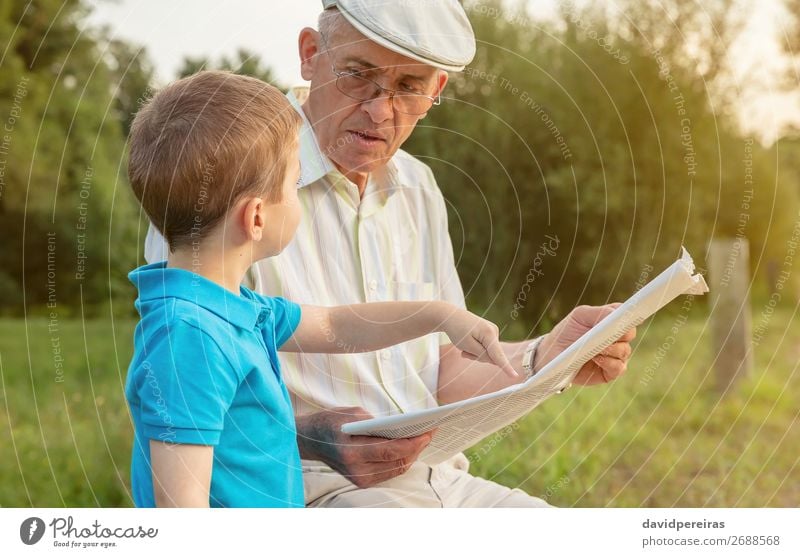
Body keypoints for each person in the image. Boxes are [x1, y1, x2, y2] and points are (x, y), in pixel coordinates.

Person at [145, 0, 637, 507]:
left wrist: (545, 357)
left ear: (436, 91)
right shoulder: (223, 178)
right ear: (311, 54)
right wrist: (312, 437)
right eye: (358, 75)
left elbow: (431, 359)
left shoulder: (420, 187)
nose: (381, 110)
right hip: (305, 490)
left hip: (440, 482)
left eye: (409, 87)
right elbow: (186, 403)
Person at [125, 70, 518, 508]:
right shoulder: (191, 339)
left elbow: (336, 324)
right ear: (255, 218)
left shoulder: (237, 308)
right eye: (294, 185)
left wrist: (439, 315)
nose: (300, 195)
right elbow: (180, 512)